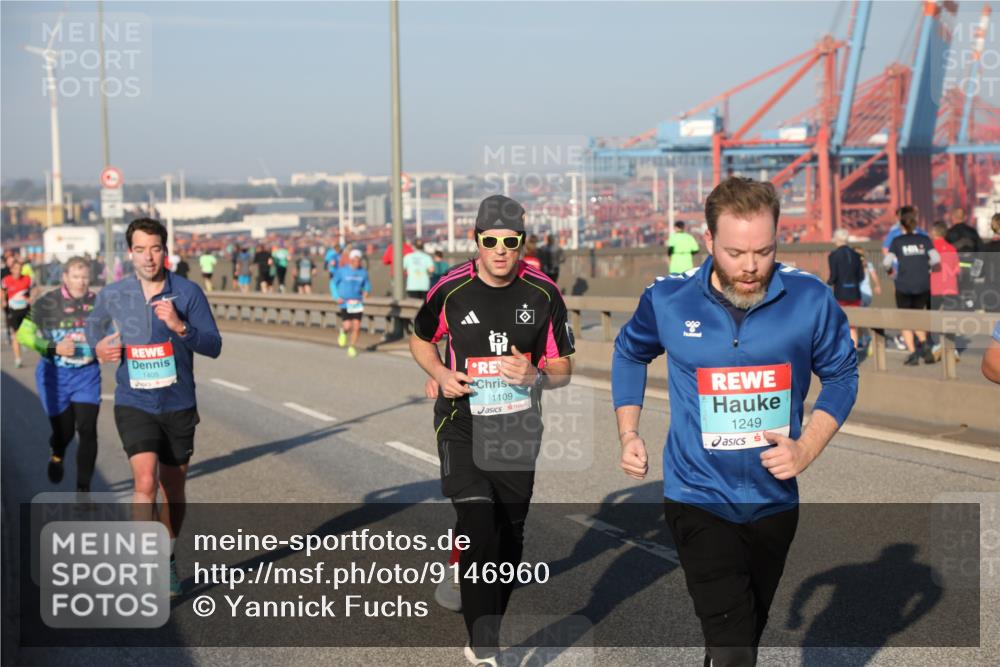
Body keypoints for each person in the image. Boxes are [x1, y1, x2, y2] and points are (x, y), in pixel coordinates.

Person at [612, 177, 858, 667]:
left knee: (742, 634)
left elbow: (843, 376)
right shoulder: (669, 299)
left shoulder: (809, 299)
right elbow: (628, 352)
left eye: (763, 252)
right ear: (709, 242)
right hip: (697, 495)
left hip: (773, 500)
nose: (750, 266)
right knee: (732, 647)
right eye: (736, 252)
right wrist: (629, 432)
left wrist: (806, 449)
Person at [409, 194, 575, 666]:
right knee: (479, 520)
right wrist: (441, 374)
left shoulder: (543, 293)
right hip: (459, 422)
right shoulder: (451, 288)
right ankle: (484, 651)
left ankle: (486, 619)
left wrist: (537, 376)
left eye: (511, 241)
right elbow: (421, 338)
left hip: (518, 429)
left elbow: (563, 367)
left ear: (523, 241)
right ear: (476, 240)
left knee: (508, 537)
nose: (501, 250)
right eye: (491, 241)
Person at [86, 217, 222, 596]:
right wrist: (97, 349)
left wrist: (181, 327)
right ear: (130, 253)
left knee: (172, 490)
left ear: (166, 251)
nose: (149, 257)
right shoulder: (114, 294)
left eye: (156, 248)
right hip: (134, 400)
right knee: (144, 480)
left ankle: (167, 555)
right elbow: (90, 333)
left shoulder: (188, 293)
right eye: (141, 249)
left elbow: (213, 345)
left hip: (178, 402)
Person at [16, 256, 101, 492]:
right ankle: (57, 453)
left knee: (87, 429)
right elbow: (24, 335)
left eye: (85, 276)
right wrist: (53, 347)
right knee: (63, 432)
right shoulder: (47, 303)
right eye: (76, 276)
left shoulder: (99, 303)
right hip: (55, 376)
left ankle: (83, 490)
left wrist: (107, 347)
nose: (81, 281)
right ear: (65, 278)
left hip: (87, 375)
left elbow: (113, 333)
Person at [883, 206, 941, 365]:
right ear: (915, 223)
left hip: (903, 285)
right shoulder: (924, 239)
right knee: (917, 315)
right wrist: (926, 267)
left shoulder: (897, 241)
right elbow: (936, 259)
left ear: (902, 225)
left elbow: (886, 262)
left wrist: (890, 272)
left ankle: (913, 353)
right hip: (923, 284)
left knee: (905, 318)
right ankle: (925, 345)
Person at [929, 221, 962, 361]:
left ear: (934, 233)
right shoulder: (952, 248)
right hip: (951, 288)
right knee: (950, 318)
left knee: (934, 318)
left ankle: (937, 346)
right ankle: (952, 350)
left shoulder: (930, 248)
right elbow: (958, 270)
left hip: (935, 288)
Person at [827, 228, 865, 349]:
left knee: (839, 324)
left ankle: (843, 354)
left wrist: (827, 283)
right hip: (855, 294)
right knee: (853, 325)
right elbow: (861, 276)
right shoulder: (856, 255)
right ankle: (854, 353)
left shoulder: (833, 255)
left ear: (836, 239)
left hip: (840, 294)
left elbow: (833, 277)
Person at [333, 249, 371, 358]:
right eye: (355, 260)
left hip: (357, 303)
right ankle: (343, 332)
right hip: (345, 302)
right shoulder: (342, 271)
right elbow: (333, 283)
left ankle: (352, 347)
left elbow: (367, 284)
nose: (357, 262)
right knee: (347, 325)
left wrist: (367, 291)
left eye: (359, 260)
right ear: (350, 260)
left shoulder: (363, 272)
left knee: (357, 326)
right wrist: (337, 296)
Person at [2, 255, 32, 368]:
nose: (18, 271)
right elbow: (2, 290)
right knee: (15, 334)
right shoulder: (6, 280)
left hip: (26, 310)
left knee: (26, 332)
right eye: (16, 269)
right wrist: (3, 301)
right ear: (11, 269)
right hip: (13, 310)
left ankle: (24, 341)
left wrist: (31, 297)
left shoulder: (27, 279)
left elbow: (35, 289)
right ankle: (18, 359)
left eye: (20, 269)